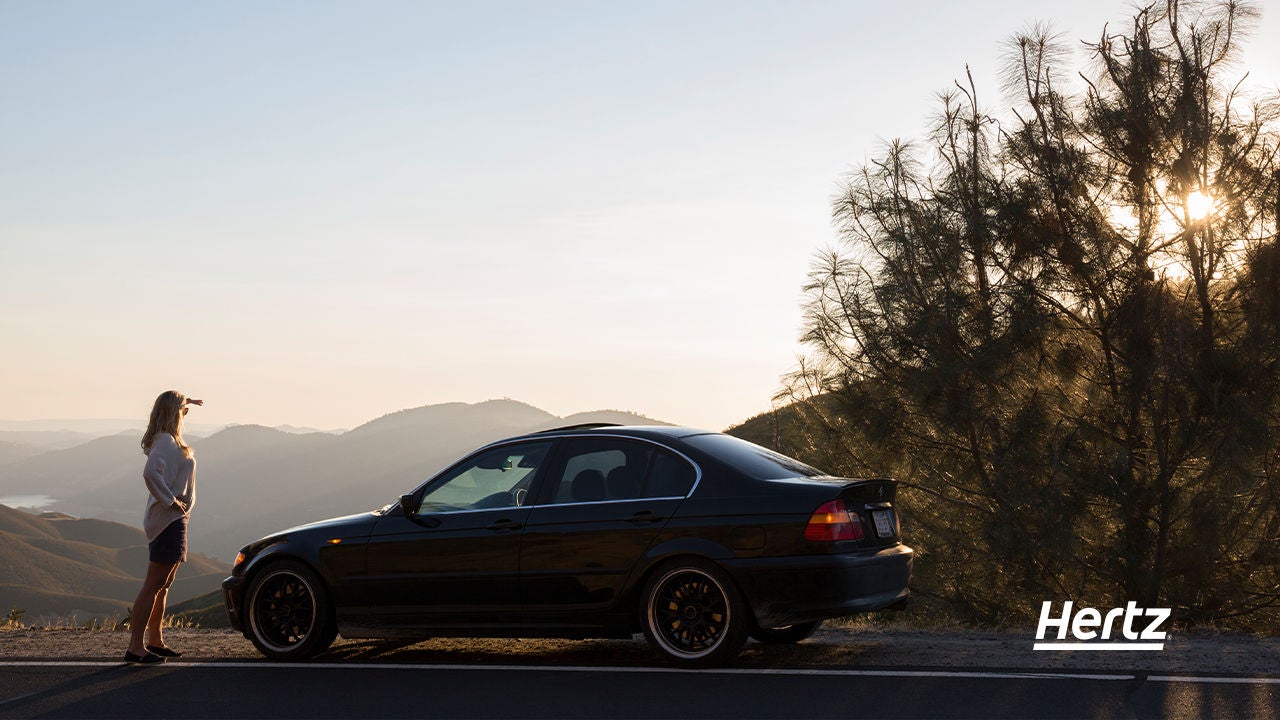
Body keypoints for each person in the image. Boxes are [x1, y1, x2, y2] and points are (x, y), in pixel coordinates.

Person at [124, 390, 202, 664]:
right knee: (154, 583)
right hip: (168, 520)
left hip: (175, 520)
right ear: (173, 412)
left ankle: (155, 640)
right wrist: (170, 501)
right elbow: (149, 473)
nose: (185, 414)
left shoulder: (168, 440)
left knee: (164, 584)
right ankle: (136, 646)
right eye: (182, 410)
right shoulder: (166, 442)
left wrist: (187, 401)